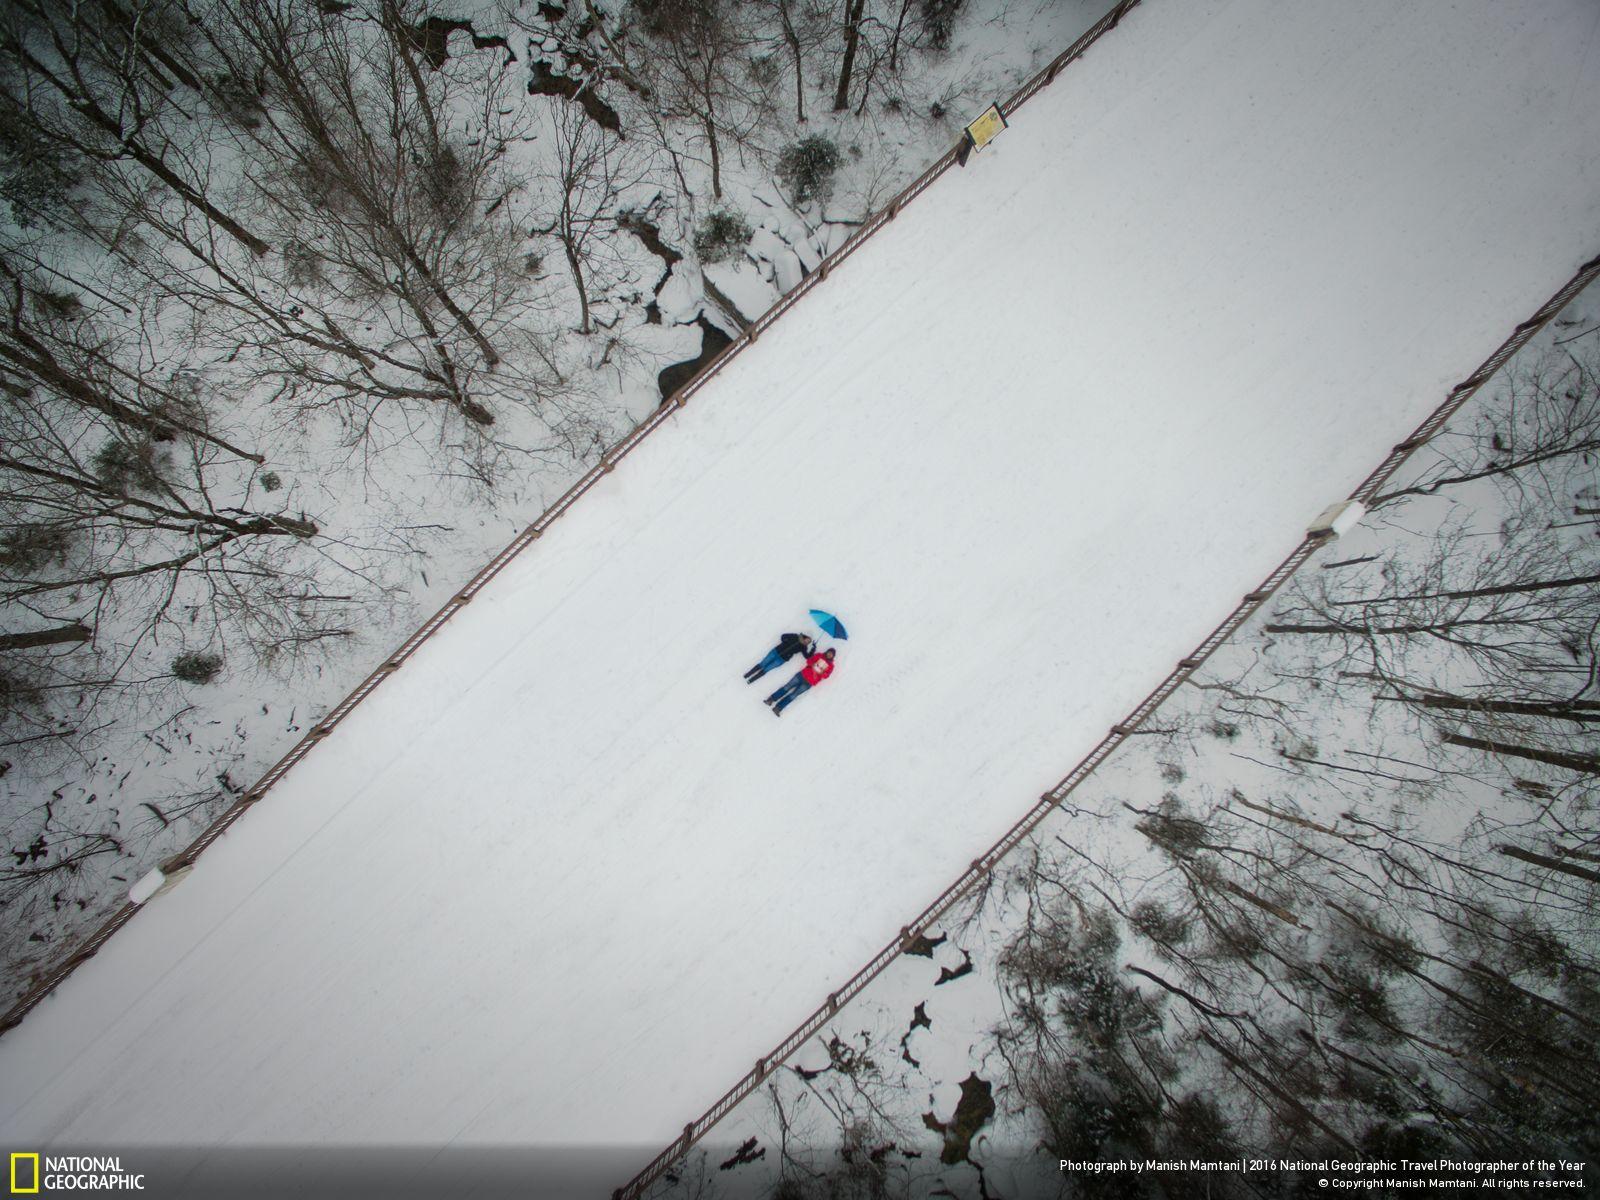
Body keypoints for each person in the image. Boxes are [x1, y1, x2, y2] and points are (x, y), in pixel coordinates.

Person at [765, 647, 836, 716]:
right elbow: (808, 661)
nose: (829, 654)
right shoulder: (819, 655)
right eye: (829, 652)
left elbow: (826, 676)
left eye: (831, 654)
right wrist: (813, 664)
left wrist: (822, 672)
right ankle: (771, 699)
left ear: (833, 656)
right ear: (827, 652)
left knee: (794, 695)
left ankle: (778, 708)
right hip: (802, 675)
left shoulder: (831, 666)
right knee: (787, 687)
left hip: (809, 683)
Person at [744, 632, 816, 684]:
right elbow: (783, 636)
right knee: (762, 664)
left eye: (809, 642)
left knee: (767, 669)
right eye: (808, 640)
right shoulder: (796, 636)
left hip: (782, 659)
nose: (807, 642)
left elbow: (807, 657)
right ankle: (748, 674)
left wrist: (813, 648)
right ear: (805, 637)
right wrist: (785, 643)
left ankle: (751, 680)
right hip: (775, 652)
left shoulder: (803, 647)